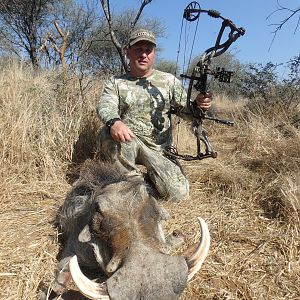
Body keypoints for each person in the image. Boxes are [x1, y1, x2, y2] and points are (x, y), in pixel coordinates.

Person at [97, 28, 212, 201]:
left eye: (148, 50)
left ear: (154, 54)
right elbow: (106, 106)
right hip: (129, 141)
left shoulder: (169, 81)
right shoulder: (116, 82)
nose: (143, 55)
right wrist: (115, 122)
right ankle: (128, 183)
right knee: (107, 133)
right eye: (138, 50)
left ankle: (149, 179)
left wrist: (198, 106)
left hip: (160, 149)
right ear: (128, 52)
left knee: (178, 194)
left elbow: (188, 113)